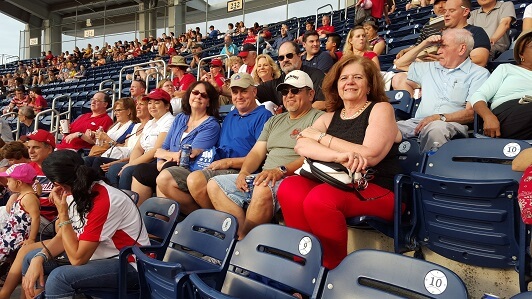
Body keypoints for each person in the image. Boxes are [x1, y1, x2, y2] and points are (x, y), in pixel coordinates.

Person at [277, 55, 401, 270]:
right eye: (344, 78)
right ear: (336, 85)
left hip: (375, 187)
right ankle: (304, 265)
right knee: (289, 187)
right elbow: (302, 146)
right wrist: (339, 156)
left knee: (319, 199)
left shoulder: (381, 109)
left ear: (370, 85)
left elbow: (369, 155)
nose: (349, 82)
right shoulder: (329, 116)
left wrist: (323, 139)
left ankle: (332, 272)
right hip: (338, 181)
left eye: (357, 77)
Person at [207, 70, 323, 239]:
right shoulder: (275, 120)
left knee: (262, 188)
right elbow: (256, 152)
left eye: (295, 90)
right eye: (285, 92)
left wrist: (281, 170)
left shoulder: (319, 119)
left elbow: (312, 157)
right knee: (214, 184)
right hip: (264, 176)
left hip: (291, 178)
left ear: (311, 94)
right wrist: (244, 172)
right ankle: (241, 239)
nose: (289, 95)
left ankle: (242, 247)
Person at [20, 150, 150, 299]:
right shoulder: (76, 191)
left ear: (57, 184)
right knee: (31, 258)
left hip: (129, 263)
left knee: (59, 278)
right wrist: (40, 257)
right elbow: (64, 237)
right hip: (99, 257)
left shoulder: (105, 199)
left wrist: (62, 214)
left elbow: (77, 259)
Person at [163, 73, 273, 214]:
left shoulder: (264, 116)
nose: (239, 96)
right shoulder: (230, 116)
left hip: (241, 170)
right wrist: (200, 151)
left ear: (254, 91)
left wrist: (228, 162)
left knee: (195, 180)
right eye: (235, 92)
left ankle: (218, 223)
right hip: (216, 163)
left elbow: (260, 157)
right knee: (166, 179)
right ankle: (202, 217)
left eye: (244, 91)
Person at [394, 29, 490, 152]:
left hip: (450, 124)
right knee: (384, 129)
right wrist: (425, 43)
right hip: (417, 122)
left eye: (443, 46)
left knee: (436, 128)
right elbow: (400, 64)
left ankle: (428, 168)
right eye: (438, 46)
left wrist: (439, 118)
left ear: (461, 49)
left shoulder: (478, 74)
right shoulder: (430, 67)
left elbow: (470, 114)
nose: (438, 51)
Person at [132, 82, 220, 206]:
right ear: (189, 95)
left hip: (191, 170)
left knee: (167, 170)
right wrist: (160, 162)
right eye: (195, 92)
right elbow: (162, 148)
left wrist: (165, 156)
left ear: (209, 102)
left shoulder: (211, 125)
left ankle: (163, 219)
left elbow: (188, 156)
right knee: (141, 170)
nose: (198, 96)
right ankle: (138, 216)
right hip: (167, 163)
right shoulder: (180, 118)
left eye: (204, 95)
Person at [106, 89, 174, 190]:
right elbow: (138, 148)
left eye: (157, 102)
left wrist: (131, 165)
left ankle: (127, 202)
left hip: (158, 161)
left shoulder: (169, 121)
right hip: (144, 159)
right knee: (113, 170)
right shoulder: (150, 123)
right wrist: (130, 163)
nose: (152, 106)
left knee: (128, 172)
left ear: (167, 106)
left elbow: (156, 150)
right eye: (150, 103)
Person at [469, 30, 532, 140]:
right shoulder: (506, 68)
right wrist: (488, 116)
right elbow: (478, 96)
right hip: (509, 114)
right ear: (521, 53)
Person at [256, 41, 326, 110]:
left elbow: (323, 103)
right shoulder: (276, 83)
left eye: (289, 56)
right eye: (281, 58)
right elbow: (251, 91)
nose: (285, 60)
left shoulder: (316, 75)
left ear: (299, 56)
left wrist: (297, 116)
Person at [0, 164, 40, 263]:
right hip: (10, 235)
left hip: (16, 239)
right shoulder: (23, 195)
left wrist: (31, 239)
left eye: (9, 181)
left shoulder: (29, 198)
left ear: (18, 183)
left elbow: (36, 218)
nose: (7, 184)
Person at [83, 98, 139, 169]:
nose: (115, 113)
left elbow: (126, 148)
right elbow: (103, 144)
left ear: (128, 111)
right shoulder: (114, 126)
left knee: (94, 161)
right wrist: (96, 137)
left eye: (119, 110)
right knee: (85, 160)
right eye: (115, 110)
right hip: (104, 153)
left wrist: (106, 138)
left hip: (117, 156)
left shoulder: (133, 127)